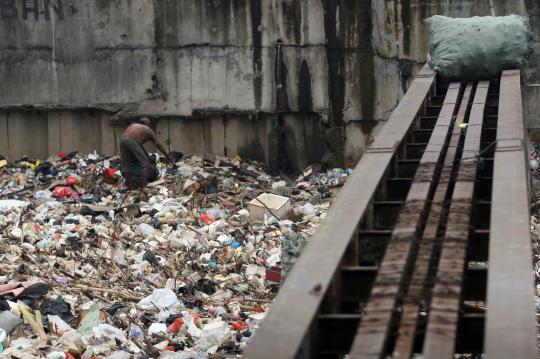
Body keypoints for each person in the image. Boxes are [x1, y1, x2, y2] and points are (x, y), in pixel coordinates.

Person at [119, 118, 170, 189]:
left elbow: (137, 144)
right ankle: (144, 186)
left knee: (125, 166)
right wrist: (167, 156)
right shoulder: (148, 130)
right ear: (148, 124)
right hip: (131, 141)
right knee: (145, 163)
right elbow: (158, 145)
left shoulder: (133, 126)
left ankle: (130, 187)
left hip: (122, 139)